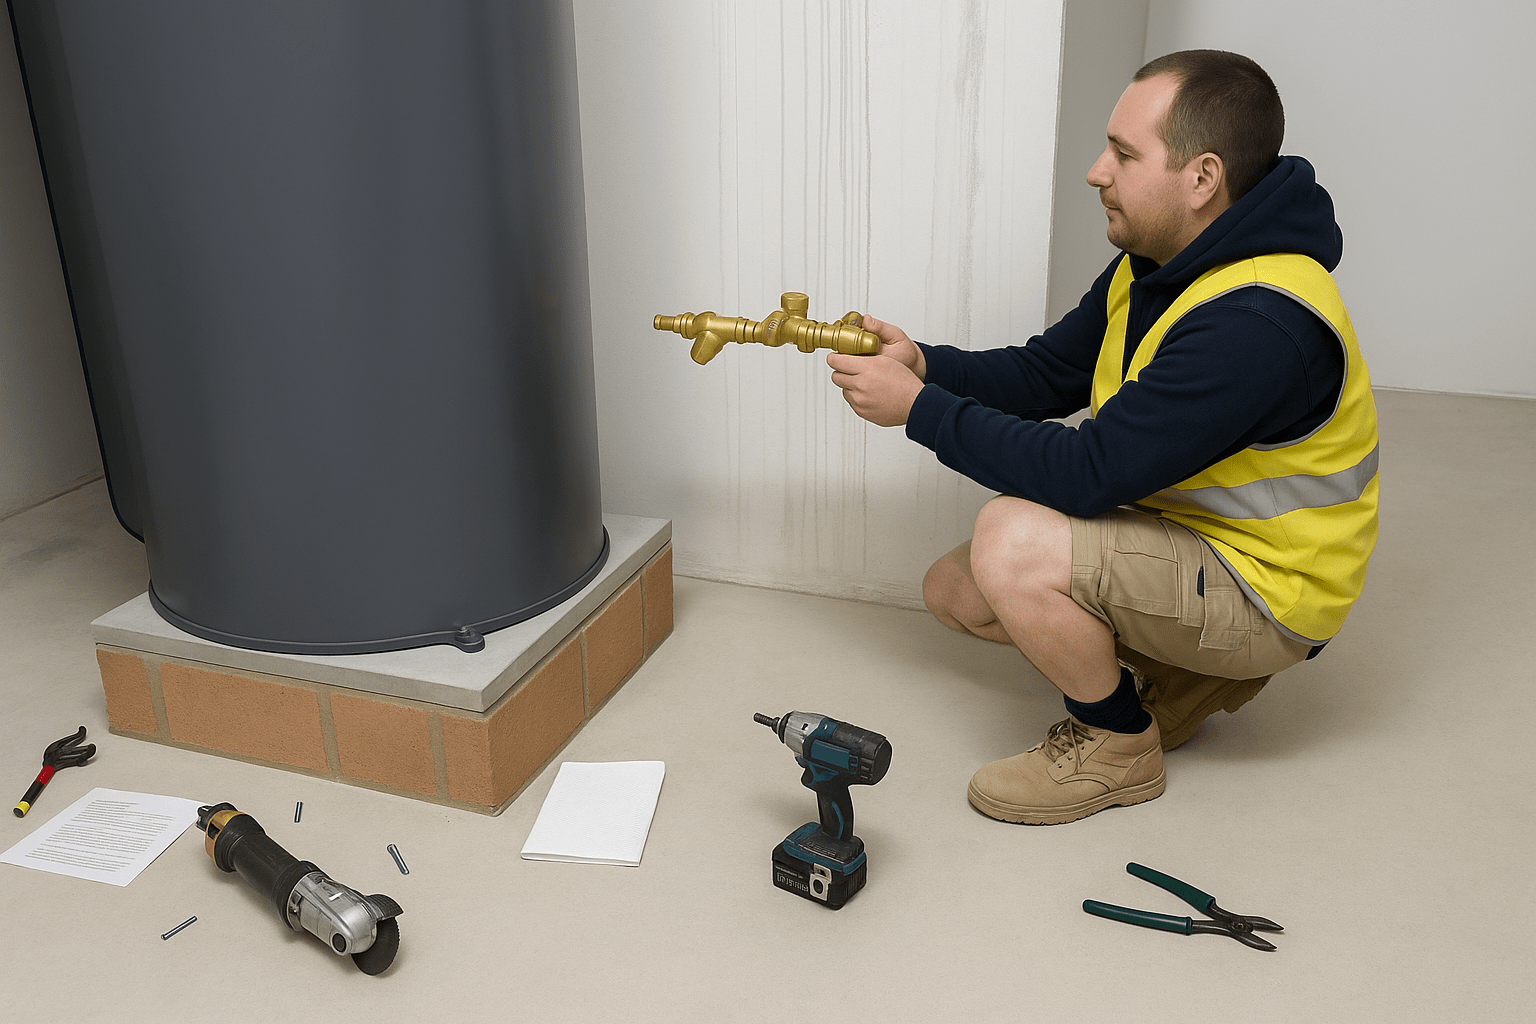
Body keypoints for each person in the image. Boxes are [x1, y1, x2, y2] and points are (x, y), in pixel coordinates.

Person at [826, 49, 1379, 825]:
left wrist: (918, 409)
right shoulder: (1161, 263)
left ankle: (1118, 745)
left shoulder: (1257, 322)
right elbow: (1046, 374)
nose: (1096, 171)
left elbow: (1088, 472)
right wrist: (925, 365)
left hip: (1270, 591)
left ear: (1202, 178)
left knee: (1011, 542)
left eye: (1123, 154)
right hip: (1189, 535)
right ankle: (1182, 680)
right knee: (959, 593)